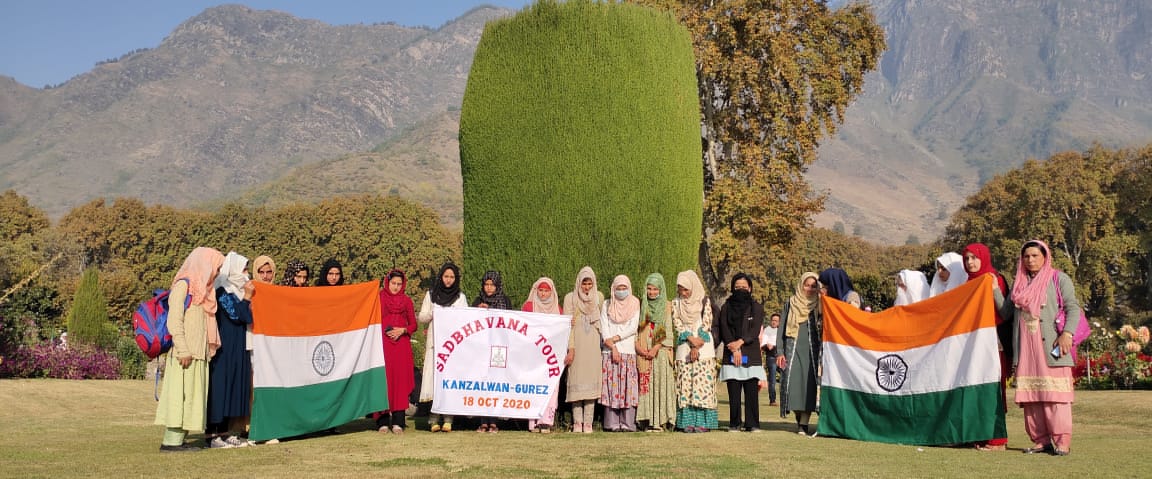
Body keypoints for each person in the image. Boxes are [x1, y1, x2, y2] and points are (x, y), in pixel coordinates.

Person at [1003, 240, 1080, 456]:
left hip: (1052, 346)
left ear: (1045, 257)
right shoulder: (1019, 283)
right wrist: (991, 289)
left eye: (1035, 255)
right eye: (1026, 256)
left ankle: (1062, 443)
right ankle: (1041, 441)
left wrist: (1067, 333)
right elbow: (1005, 312)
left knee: (1056, 396)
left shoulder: (1058, 278)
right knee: (1032, 397)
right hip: (1026, 348)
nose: (1030, 260)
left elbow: (1073, 307)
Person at [154, 247, 225, 452]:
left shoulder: (203, 290)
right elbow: (174, 320)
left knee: (191, 398)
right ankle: (171, 442)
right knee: (180, 397)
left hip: (197, 354)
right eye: (215, 267)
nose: (217, 272)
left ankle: (179, 440)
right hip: (184, 355)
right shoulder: (183, 286)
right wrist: (183, 349)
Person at [962, 242, 1011, 451]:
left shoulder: (994, 279)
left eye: (974, 257)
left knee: (992, 389)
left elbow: (1005, 313)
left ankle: (997, 440)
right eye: (967, 259)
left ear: (984, 258)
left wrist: (992, 289)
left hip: (994, 344)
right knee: (976, 388)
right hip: (974, 347)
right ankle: (980, 434)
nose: (970, 263)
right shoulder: (968, 283)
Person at [205, 252, 254, 448]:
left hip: (238, 346)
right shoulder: (222, 291)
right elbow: (238, 315)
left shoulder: (238, 292)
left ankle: (224, 433)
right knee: (220, 388)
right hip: (224, 349)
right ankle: (212, 435)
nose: (246, 274)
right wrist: (248, 297)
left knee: (234, 386)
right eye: (243, 269)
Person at [418, 262, 467, 432]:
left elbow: (465, 318)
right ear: (441, 277)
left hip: (451, 347)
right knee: (433, 381)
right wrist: (433, 313)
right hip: (434, 345)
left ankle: (448, 418)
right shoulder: (431, 295)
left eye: (452, 277)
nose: (448, 280)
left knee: (447, 381)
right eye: (446, 276)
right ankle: (433, 418)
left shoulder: (460, 297)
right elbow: (421, 317)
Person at [718, 273, 766, 432]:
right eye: (737, 287)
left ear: (750, 288)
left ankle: (752, 423)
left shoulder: (757, 307)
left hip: (750, 353)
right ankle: (734, 423)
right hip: (731, 352)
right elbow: (724, 328)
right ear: (732, 288)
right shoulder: (726, 307)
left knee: (751, 392)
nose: (740, 290)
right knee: (734, 392)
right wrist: (734, 347)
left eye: (744, 287)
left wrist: (740, 343)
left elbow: (754, 330)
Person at [776, 272, 821, 436]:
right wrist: (779, 351)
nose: (809, 289)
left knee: (809, 386)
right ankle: (798, 415)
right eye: (806, 285)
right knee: (792, 385)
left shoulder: (819, 304)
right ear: (801, 285)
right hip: (792, 349)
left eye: (813, 286)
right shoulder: (791, 303)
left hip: (812, 351)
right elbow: (781, 329)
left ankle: (804, 423)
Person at [671, 270, 716, 433]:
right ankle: (686, 423)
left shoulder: (704, 300)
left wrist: (697, 345)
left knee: (702, 387)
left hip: (704, 349)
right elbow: (677, 324)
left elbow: (707, 322)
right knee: (686, 387)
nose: (683, 293)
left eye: (686, 289)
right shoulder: (676, 303)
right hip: (684, 349)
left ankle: (704, 423)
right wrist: (690, 341)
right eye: (680, 289)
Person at [377, 269, 417, 434]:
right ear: (387, 282)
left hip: (401, 345)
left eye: (399, 284)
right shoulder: (379, 297)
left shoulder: (407, 301)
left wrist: (403, 330)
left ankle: (398, 422)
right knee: (383, 381)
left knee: (399, 381)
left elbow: (414, 324)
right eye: (393, 283)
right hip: (382, 344)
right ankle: (382, 422)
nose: (395, 287)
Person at [563, 267, 603, 433]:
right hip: (577, 345)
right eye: (584, 283)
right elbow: (567, 326)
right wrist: (570, 348)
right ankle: (577, 422)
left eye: (589, 283)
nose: (586, 287)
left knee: (591, 385)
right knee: (576, 382)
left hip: (593, 346)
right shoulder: (570, 298)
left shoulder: (599, 297)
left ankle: (588, 423)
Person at [635, 273, 676, 433]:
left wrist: (656, 347)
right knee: (647, 387)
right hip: (644, 353)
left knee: (659, 386)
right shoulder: (642, 305)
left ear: (661, 289)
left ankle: (659, 422)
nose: (651, 292)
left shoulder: (666, 306)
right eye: (649, 289)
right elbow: (638, 329)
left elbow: (666, 328)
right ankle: (647, 421)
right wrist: (639, 347)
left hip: (660, 353)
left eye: (655, 289)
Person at [471, 270, 511, 433]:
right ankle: (483, 421)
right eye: (486, 284)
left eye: (492, 284)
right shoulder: (477, 300)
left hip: (498, 348)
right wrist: (478, 311)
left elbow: (510, 323)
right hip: (482, 347)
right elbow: (469, 323)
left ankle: (493, 421)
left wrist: (493, 311)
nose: (488, 288)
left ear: (497, 285)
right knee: (482, 382)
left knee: (495, 383)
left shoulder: (504, 301)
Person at [599, 275, 640, 432]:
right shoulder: (607, 304)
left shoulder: (635, 303)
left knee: (627, 387)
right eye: (618, 288)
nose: (621, 291)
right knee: (612, 387)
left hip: (628, 350)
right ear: (613, 289)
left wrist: (616, 338)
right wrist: (612, 346)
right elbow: (604, 325)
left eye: (624, 288)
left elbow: (632, 327)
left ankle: (628, 423)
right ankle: (612, 423)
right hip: (609, 351)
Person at [522, 277, 562, 433]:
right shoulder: (529, 306)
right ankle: (533, 421)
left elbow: (561, 333)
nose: (544, 294)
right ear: (536, 290)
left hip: (551, 355)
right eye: (541, 290)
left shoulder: (557, 308)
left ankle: (546, 421)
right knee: (534, 385)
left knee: (550, 387)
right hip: (533, 353)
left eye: (547, 290)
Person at [761, 313, 781, 406]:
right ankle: (772, 400)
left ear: (779, 322)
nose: (774, 322)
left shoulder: (781, 331)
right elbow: (763, 345)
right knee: (772, 380)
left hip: (781, 358)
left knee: (786, 377)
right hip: (771, 358)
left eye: (776, 321)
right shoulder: (767, 330)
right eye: (773, 320)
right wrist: (767, 346)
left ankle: (787, 400)